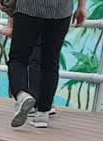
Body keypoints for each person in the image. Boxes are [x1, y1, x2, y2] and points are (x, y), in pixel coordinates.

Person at [7, 0, 85, 128]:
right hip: (61, 11)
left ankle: (22, 95)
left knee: (18, 58)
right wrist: (82, 6)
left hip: (29, 8)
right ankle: (42, 114)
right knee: (50, 62)